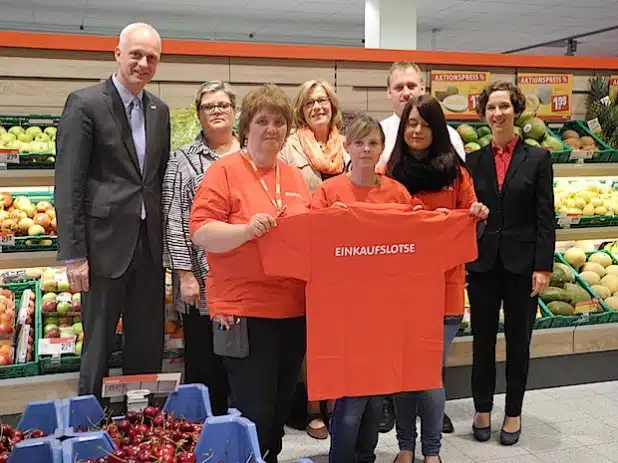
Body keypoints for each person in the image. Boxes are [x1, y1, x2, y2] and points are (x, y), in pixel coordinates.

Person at [189, 84, 311, 463]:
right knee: (253, 409)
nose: (271, 129)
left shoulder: (293, 177)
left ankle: (269, 457)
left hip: (292, 309)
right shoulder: (224, 171)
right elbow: (200, 231)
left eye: (279, 122)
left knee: (279, 405)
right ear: (246, 127)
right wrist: (244, 231)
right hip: (243, 309)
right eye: (263, 121)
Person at [55, 23, 169, 400]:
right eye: (136, 54)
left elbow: (156, 178)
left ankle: (142, 426)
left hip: (148, 247)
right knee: (99, 345)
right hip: (102, 248)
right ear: (117, 53)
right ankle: (89, 424)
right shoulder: (84, 103)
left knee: (146, 343)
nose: (143, 63)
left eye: (151, 57)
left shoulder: (159, 110)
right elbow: (68, 183)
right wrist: (74, 255)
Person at [311, 114, 423, 463]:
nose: (365, 149)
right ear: (347, 147)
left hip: (386, 310)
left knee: (376, 393)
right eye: (358, 142)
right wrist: (331, 222)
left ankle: (366, 455)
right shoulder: (329, 191)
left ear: (382, 149)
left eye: (372, 143)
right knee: (351, 395)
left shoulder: (396, 192)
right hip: (343, 311)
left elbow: (418, 233)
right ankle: (342, 458)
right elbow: (310, 238)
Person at [385, 95, 489, 463]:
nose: (416, 130)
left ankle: (431, 451)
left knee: (428, 372)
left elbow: (470, 235)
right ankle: (404, 448)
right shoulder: (388, 173)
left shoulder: (456, 174)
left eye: (425, 124)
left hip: (444, 290)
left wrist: (476, 215)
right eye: (411, 123)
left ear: (437, 129)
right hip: (398, 292)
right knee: (402, 373)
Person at [377, 61, 466, 434]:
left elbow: (466, 208)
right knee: (390, 346)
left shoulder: (453, 151)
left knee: (432, 355)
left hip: (442, 278)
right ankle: (389, 405)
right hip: (396, 277)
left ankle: (429, 409)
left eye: (413, 84)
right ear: (389, 92)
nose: (407, 92)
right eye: (399, 86)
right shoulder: (381, 141)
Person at [466, 81, 555, 446]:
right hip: (483, 264)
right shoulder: (474, 161)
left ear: (516, 111)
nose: (497, 113)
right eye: (491, 108)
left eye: (504, 106)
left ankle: (513, 413)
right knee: (481, 342)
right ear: (484, 114)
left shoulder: (538, 159)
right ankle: (482, 408)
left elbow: (545, 216)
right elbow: (467, 213)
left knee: (519, 343)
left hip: (523, 266)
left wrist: (543, 267)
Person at [162, 81, 239, 415]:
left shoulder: (253, 154)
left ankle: (244, 430)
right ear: (199, 115)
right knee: (206, 363)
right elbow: (174, 219)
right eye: (209, 106)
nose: (217, 111)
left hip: (248, 280)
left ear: (235, 112)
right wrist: (185, 275)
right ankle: (207, 426)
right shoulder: (182, 160)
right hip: (202, 281)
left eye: (223, 104)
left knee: (243, 361)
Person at [280, 79, 348, 439]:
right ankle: (312, 405)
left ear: (332, 105)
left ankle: (336, 400)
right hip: (307, 251)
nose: (317, 107)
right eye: (310, 103)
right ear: (301, 109)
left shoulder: (346, 145)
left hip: (344, 255)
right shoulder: (290, 147)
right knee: (310, 333)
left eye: (322, 100)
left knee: (338, 331)